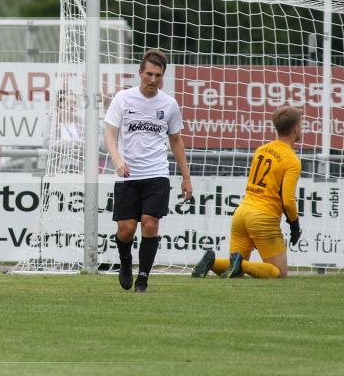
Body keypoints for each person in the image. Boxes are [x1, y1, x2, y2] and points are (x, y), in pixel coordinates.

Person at [103, 48, 192, 293]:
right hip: (128, 175)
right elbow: (110, 132)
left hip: (157, 173)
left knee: (150, 224)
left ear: (163, 76)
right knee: (126, 230)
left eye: (158, 75)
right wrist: (117, 160)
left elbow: (176, 140)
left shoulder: (169, 104)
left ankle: (143, 278)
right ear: (140, 72)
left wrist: (186, 177)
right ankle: (125, 262)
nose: (153, 80)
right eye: (149, 74)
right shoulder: (123, 99)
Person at [191, 106, 303, 279]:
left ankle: (213, 263)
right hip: (263, 218)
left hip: (241, 214)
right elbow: (288, 200)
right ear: (295, 128)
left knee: (235, 271)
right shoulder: (291, 160)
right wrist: (295, 226)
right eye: (300, 124)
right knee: (280, 273)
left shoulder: (261, 150)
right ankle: (240, 264)